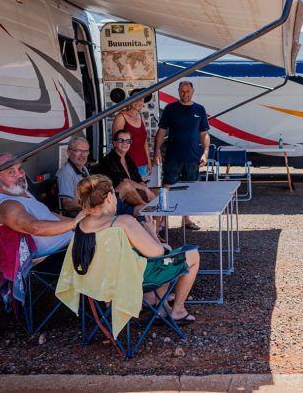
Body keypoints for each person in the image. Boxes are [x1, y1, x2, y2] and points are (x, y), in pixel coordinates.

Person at [74, 174, 199, 325]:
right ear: (108, 197)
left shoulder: (81, 224)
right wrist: (152, 233)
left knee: (165, 251)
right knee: (191, 254)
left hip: (98, 283)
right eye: (114, 194)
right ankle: (177, 310)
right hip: (131, 281)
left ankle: (162, 306)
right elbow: (157, 253)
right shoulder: (123, 221)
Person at [0, 153, 81, 257]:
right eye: (11, 172)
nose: (20, 174)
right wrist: (75, 223)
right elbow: (35, 228)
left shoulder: (20, 192)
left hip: (71, 243)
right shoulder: (7, 206)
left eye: (20, 169)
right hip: (56, 255)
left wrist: (80, 223)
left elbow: (48, 214)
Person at [154, 81, 210, 230]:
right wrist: (157, 151)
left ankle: (186, 219)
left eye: (187, 91)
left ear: (193, 91)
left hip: (193, 157)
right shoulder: (170, 108)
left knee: (189, 189)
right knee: (166, 188)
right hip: (172, 156)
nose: (185, 93)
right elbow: (161, 131)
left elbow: (204, 133)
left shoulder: (200, 109)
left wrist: (205, 153)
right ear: (178, 91)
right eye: (182, 91)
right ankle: (163, 220)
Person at [57, 136, 141, 219]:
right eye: (78, 151)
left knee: (140, 209)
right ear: (68, 152)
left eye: (85, 151)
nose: (82, 155)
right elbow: (67, 204)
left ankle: (148, 206)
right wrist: (97, 203)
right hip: (89, 215)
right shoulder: (66, 172)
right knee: (126, 187)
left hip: (99, 208)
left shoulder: (83, 168)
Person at [96, 129, 157, 206]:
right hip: (112, 199)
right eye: (121, 140)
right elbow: (124, 181)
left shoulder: (128, 158)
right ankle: (144, 208)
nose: (125, 143)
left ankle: (151, 214)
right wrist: (145, 189)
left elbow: (138, 179)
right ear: (114, 143)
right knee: (127, 186)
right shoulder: (108, 160)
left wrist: (147, 190)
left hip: (130, 194)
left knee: (156, 193)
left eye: (128, 141)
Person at [111, 90, 152, 180]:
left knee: (142, 191)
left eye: (141, 99)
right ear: (130, 100)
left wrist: (148, 162)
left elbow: (144, 141)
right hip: (127, 164)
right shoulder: (121, 117)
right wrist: (121, 164)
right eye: (135, 99)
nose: (138, 102)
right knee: (131, 192)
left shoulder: (141, 117)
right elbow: (116, 143)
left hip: (142, 163)